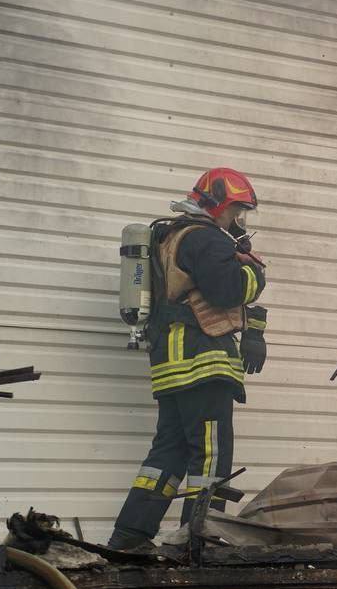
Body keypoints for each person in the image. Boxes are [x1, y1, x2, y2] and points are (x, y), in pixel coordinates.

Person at [107, 168, 268, 550]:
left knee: (168, 452)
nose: (239, 221)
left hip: (171, 364)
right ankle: (198, 543)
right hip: (203, 363)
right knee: (211, 456)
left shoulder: (173, 236)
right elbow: (228, 290)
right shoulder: (206, 238)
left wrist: (255, 328)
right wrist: (255, 273)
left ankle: (129, 536)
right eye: (237, 211)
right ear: (220, 205)